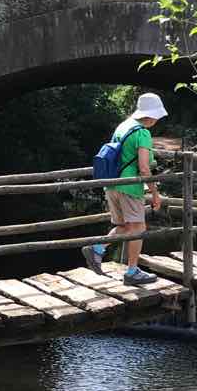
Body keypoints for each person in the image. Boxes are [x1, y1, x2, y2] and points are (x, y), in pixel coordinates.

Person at [82, 92, 166, 285]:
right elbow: (144, 168)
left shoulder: (123, 126)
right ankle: (132, 272)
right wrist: (155, 193)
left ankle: (97, 248)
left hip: (112, 184)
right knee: (138, 228)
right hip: (130, 187)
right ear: (151, 115)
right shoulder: (142, 133)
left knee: (124, 226)